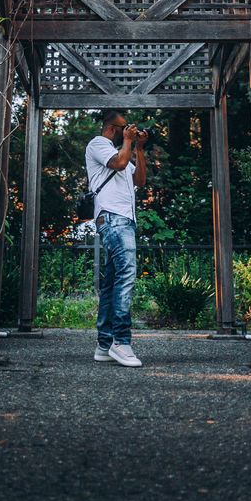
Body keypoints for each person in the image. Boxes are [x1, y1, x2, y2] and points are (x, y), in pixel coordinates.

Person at [85, 109, 148, 367]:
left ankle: (104, 344)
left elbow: (140, 180)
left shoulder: (123, 151)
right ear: (112, 129)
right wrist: (129, 142)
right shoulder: (98, 144)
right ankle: (121, 342)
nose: (128, 131)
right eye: (124, 128)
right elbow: (120, 164)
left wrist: (139, 149)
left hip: (123, 220)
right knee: (127, 274)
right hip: (112, 217)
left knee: (112, 281)